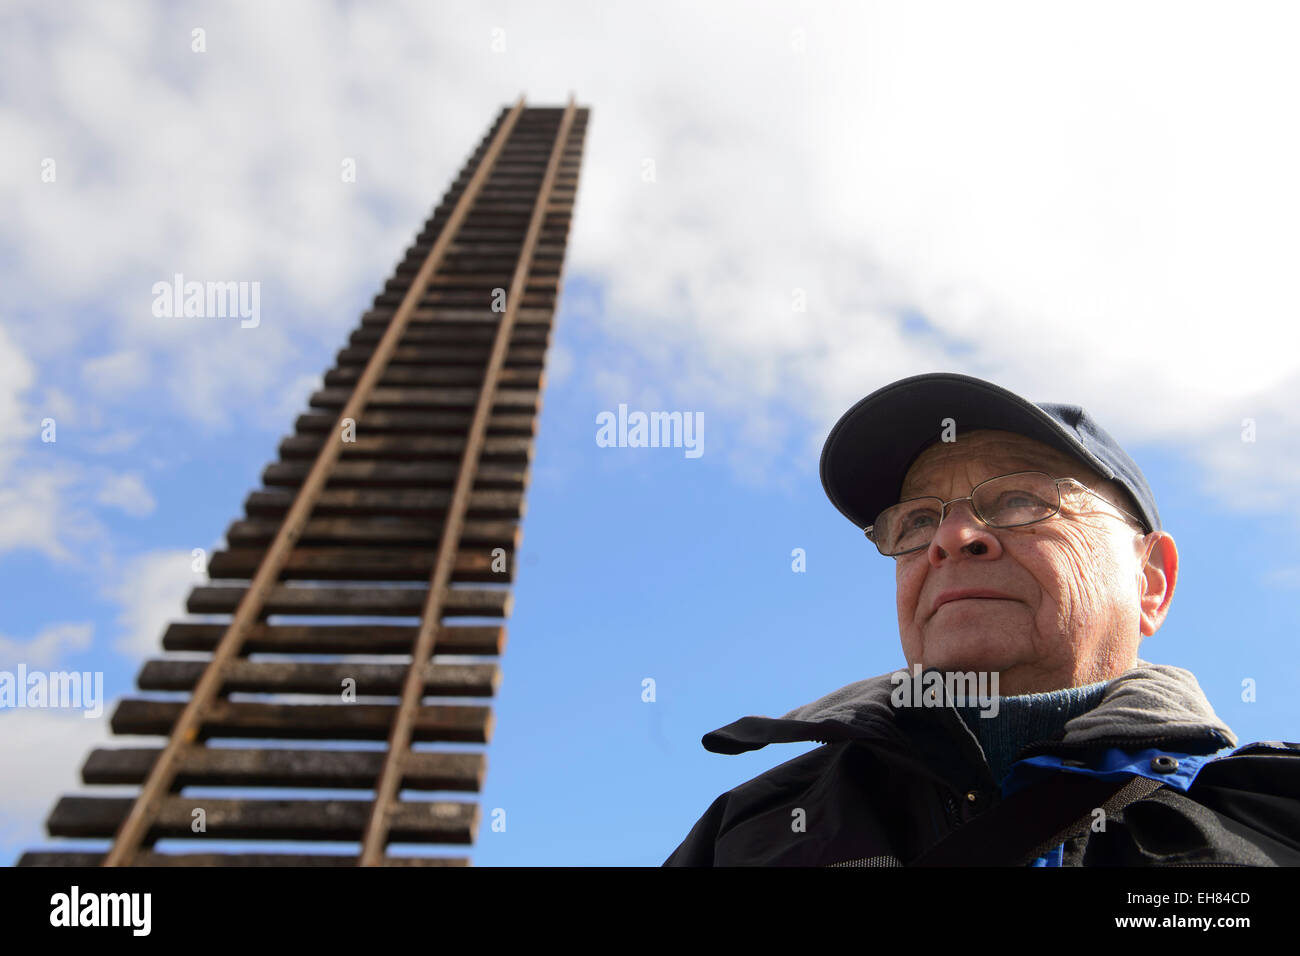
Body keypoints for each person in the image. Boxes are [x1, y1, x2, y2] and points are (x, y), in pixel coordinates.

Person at [662, 372, 1300, 866]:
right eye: (916, 520)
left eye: (1021, 498)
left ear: (1151, 581)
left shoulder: (1274, 815)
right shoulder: (744, 831)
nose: (952, 537)